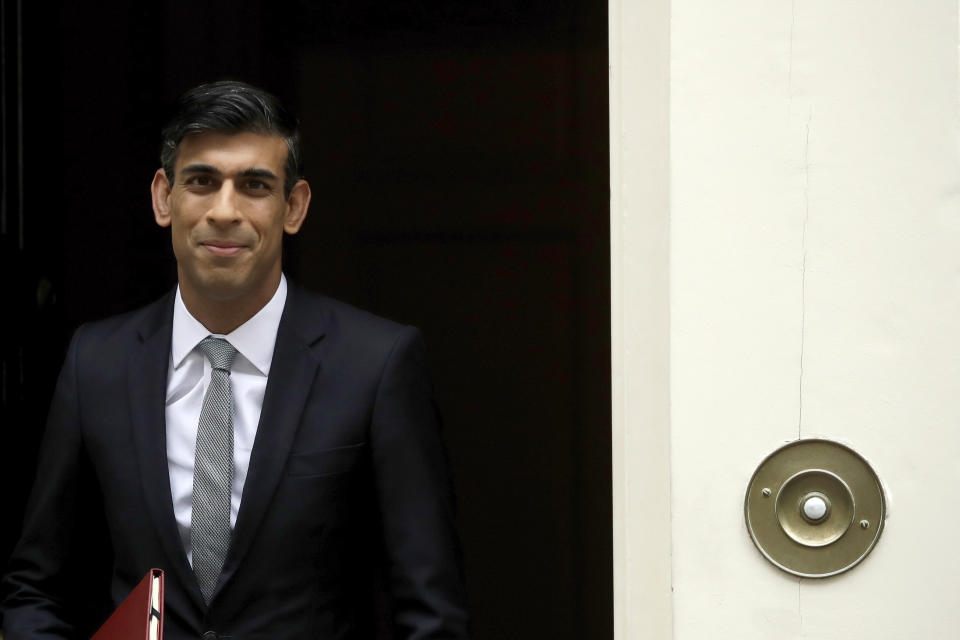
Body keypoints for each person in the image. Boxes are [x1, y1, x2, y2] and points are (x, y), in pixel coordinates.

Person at [1, 80, 470, 639]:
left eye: (254, 185)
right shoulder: (96, 361)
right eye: (201, 181)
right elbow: (36, 586)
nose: (225, 211)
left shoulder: (376, 363)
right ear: (162, 197)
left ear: (293, 207)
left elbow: (431, 611)